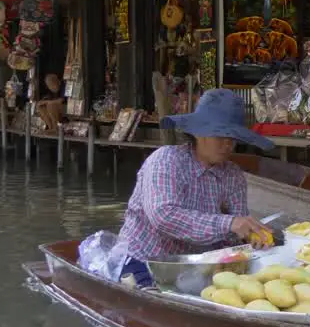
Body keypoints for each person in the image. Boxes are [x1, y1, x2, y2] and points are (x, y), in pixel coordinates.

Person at [115, 89, 276, 289]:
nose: (227, 144)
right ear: (199, 133)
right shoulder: (166, 160)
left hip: (196, 266)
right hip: (145, 259)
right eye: (220, 135)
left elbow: (235, 230)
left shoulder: (233, 176)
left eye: (232, 138)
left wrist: (252, 237)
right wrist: (229, 224)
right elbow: (163, 216)